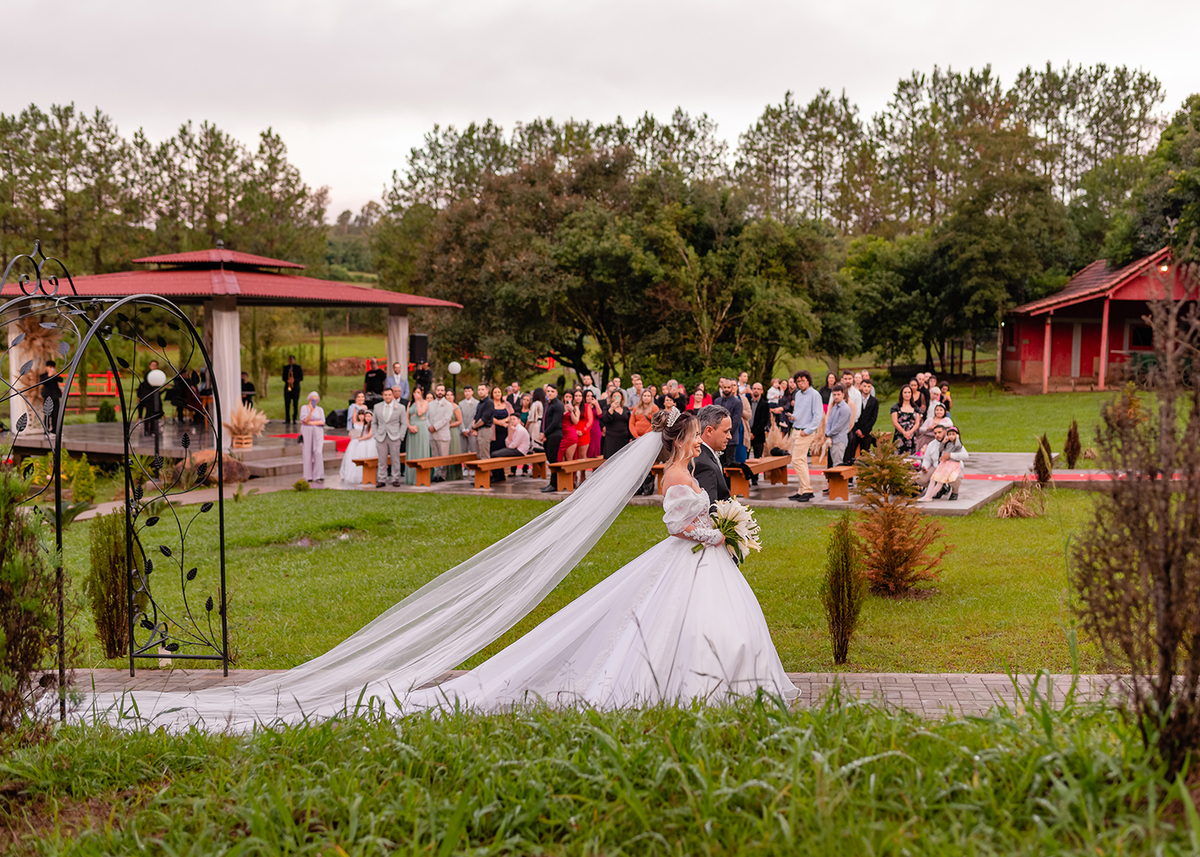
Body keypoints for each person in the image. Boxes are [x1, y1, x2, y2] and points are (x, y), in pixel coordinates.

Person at [92, 409, 798, 729]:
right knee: (666, 632)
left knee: (682, 630)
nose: (724, 438)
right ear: (692, 435)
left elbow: (685, 517)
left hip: (692, 562)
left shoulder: (679, 463)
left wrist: (720, 531)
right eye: (720, 428)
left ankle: (706, 692)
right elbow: (682, 518)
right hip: (689, 558)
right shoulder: (679, 471)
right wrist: (719, 529)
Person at [788, 371, 821, 503]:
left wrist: (807, 431)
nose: (800, 383)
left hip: (804, 432)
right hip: (796, 429)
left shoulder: (815, 394)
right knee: (800, 461)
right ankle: (802, 490)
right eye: (798, 381)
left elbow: (817, 415)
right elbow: (798, 412)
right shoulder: (798, 394)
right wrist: (793, 417)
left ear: (808, 380)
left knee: (797, 460)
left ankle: (807, 490)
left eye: (802, 381)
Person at [692, 404, 732, 503]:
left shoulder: (705, 455)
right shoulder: (703, 464)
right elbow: (709, 509)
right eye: (726, 431)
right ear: (709, 431)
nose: (729, 436)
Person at [917, 426, 968, 502]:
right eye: (935, 433)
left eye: (939, 432)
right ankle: (936, 492)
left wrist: (950, 455)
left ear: (945, 432)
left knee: (955, 478)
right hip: (938, 467)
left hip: (952, 467)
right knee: (923, 478)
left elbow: (965, 455)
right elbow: (927, 459)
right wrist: (925, 466)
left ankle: (954, 491)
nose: (937, 435)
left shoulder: (955, 443)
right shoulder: (932, 444)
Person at [371, 387, 407, 487]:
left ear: (393, 395)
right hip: (381, 436)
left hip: (395, 436)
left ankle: (395, 478)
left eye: (389, 395)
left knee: (395, 459)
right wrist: (376, 434)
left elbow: (404, 423)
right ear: (383, 395)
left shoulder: (400, 407)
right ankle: (381, 479)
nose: (387, 397)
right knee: (381, 459)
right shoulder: (377, 407)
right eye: (385, 395)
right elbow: (374, 422)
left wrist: (401, 436)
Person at [842, 378, 879, 465]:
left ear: (871, 388)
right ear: (861, 386)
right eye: (864, 386)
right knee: (851, 452)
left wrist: (863, 431)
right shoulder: (857, 398)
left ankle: (863, 475)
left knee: (865, 455)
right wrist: (857, 429)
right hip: (855, 429)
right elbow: (855, 414)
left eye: (868, 386)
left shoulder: (874, 401)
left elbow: (873, 418)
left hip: (866, 432)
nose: (866, 388)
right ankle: (849, 472)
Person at [425, 384, 455, 483]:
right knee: (435, 455)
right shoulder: (430, 404)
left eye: (442, 390)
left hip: (442, 434)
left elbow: (446, 419)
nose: (440, 392)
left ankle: (442, 475)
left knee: (443, 456)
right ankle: (436, 474)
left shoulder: (448, 404)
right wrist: (429, 426)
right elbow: (427, 417)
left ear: (444, 392)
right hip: (432, 434)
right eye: (438, 390)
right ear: (435, 391)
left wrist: (435, 427)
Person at [339, 408, 376, 484]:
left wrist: (362, 438)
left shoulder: (372, 425)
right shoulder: (364, 425)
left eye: (369, 416)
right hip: (361, 442)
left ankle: (370, 475)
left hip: (368, 443)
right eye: (366, 416)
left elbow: (370, 435)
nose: (367, 418)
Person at [539, 385, 564, 493]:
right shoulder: (547, 404)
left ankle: (554, 484)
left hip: (554, 434)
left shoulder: (558, 405)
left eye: (552, 391)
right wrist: (541, 432)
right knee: (549, 458)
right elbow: (543, 420)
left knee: (553, 459)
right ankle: (552, 483)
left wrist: (545, 433)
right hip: (547, 434)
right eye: (548, 391)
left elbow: (555, 422)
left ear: (556, 392)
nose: (549, 393)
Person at [823, 384, 852, 474]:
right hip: (833, 439)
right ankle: (832, 486)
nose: (836, 397)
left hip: (839, 440)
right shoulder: (834, 407)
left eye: (838, 394)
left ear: (843, 395)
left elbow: (839, 426)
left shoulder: (845, 408)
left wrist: (828, 434)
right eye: (834, 395)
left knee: (838, 465)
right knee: (833, 464)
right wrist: (827, 433)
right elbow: (829, 422)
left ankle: (839, 487)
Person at [406, 389, 432, 486]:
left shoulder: (424, 402)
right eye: (415, 392)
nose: (416, 394)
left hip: (421, 427)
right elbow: (407, 417)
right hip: (412, 426)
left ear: (421, 393)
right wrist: (409, 426)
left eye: (418, 392)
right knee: (412, 451)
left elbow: (420, 412)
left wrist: (418, 402)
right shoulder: (410, 403)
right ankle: (411, 477)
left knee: (421, 449)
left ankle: (422, 477)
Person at [298, 391, 325, 483]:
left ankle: (319, 475)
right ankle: (307, 475)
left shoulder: (320, 409)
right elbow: (305, 420)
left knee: (318, 452)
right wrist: (311, 412)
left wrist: (311, 423)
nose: (314, 401)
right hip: (307, 431)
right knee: (307, 452)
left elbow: (322, 422)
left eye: (316, 399)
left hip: (318, 431)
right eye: (312, 399)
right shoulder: (304, 408)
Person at [600, 390, 632, 458]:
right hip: (612, 438)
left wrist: (630, 436)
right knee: (611, 459)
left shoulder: (625, 409)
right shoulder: (607, 408)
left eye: (619, 396)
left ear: (621, 398)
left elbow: (629, 423)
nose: (616, 398)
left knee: (623, 459)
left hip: (624, 438)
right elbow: (605, 420)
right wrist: (611, 409)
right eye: (614, 396)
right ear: (611, 398)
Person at [134, 360, 161, 437]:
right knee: (149, 414)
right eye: (152, 365)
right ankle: (146, 430)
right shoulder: (147, 375)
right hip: (148, 397)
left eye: (155, 365)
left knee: (154, 413)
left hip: (155, 397)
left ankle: (153, 429)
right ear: (150, 366)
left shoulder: (158, 374)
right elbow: (148, 384)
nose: (154, 367)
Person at [890, 385, 919, 456]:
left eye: (909, 392)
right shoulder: (896, 407)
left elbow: (917, 423)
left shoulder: (916, 408)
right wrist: (904, 432)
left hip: (911, 436)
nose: (907, 394)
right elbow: (895, 422)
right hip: (899, 436)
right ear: (901, 394)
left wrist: (910, 432)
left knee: (911, 457)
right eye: (905, 392)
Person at [472, 383, 497, 459]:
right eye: (479, 389)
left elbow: (484, 419)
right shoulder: (480, 403)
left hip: (485, 430)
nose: (480, 391)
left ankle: (487, 471)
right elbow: (476, 416)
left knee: (484, 455)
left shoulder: (489, 402)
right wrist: (473, 426)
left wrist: (474, 427)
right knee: (479, 455)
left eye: (482, 389)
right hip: (478, 430)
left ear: (487, 390)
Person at [445, 390, 465, 482]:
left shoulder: (456, 407)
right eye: (447, 395)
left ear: (453, 396)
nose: (449, 397)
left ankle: (454, 475)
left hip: (453, 431)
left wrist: (449, 425)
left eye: (451, 395)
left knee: (453, 451)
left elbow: (459, 421)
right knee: (446, 452)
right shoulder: (444, 406)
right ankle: (445, 474)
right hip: (444, 431)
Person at [748, 382, 770, 460]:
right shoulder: (747, 402)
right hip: (747, 433)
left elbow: (764, 421)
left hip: (758, 435)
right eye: (754, 388)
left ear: (762, 391)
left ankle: (756, 473)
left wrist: (754, 433)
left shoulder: (764, 404)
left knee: (757, 459)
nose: (756, 390)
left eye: (758, 389)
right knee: (745, 459)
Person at [458, 385, 479, 456]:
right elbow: (460, 417)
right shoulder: (460, 404)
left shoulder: (477, 403)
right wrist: (463, 429)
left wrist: (469, 429)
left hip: (472, 429)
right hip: (462, 429)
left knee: (473, 449)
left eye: (469, 391)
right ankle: (464, 466)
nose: (467, 393)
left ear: (472, 392)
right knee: (463, 450)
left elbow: (475, 417)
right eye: (465, 391)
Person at [282, 356, 303, 424]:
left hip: (295, 388)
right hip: (288, 388)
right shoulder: (286, 368)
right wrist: (287, 380)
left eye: (292, 359)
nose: (290, 361)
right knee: (287, 404)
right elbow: (283, 377)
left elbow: (301, 377)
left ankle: (294, 419)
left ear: (294, 360)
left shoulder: (298, 367)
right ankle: (287, 419)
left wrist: (294, 380)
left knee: (295, 404)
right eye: (289, 360)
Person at [584, 389, 603, 459]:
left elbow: (600, 415)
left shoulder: (595, 405)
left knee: (595, 449)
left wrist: (596, 404)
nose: (589, 397)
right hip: (586, 429)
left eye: (591, 396)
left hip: (595, 429)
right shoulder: (583, 406)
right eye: (587, 396)